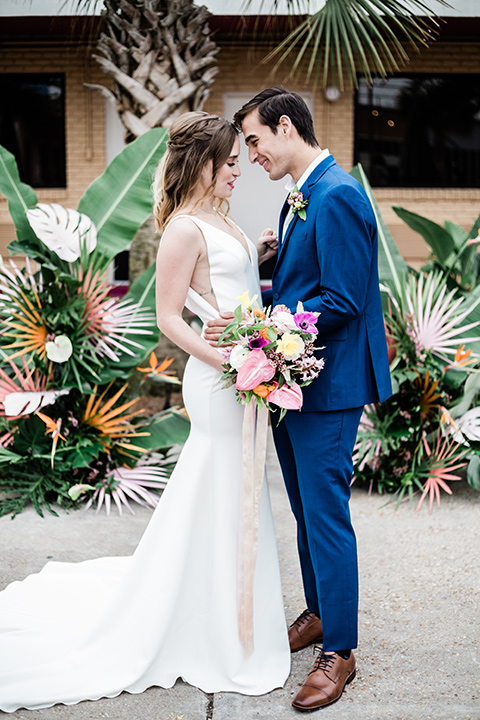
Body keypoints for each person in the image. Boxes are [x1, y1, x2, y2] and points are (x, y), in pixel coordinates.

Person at [0, 111, 290, 713]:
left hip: (245, 371)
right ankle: (208, 624)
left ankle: (221, 610)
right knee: (223, 488)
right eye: (230, 162)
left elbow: (225, 294)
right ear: (202, 164)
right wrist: (231, 362)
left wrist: (257, 258)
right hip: (219, 381)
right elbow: (168, 319)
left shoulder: (222, 218)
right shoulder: (184, 227)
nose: (239, 171)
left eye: (240, 160)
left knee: (233, 494)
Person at [205, 87, 392, 711]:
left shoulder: (337, 194)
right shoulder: (304, 194)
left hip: (329, 388)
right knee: (307, 514)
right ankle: (317, 611)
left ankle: (340, 650)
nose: (251, 155)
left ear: (286, 127)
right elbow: (315, 273)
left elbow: (342, 299)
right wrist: (275, 253)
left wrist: (262, 331)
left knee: (327, 517)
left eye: (254, 141)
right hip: (296, 382)